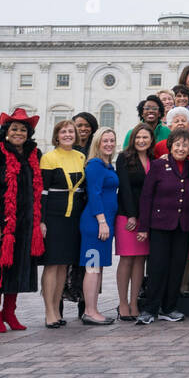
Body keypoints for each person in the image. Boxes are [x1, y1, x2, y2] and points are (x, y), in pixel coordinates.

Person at [0, 109, 45, 333]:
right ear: (6, 131)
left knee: (17, 269)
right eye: (14, 129)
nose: (18, 133)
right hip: (0, 222)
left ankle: (9, 312)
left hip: (23, 223)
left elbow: (37, 190)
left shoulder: (34, 155)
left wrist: (36, 220)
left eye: (23, 129)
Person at [135, 129, 189, 325]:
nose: (181, 148)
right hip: (160, 224)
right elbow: (146, 196)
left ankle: (169, 308)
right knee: (157, 267)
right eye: (177, 144)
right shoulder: (159, 165)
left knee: (177, 267)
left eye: (185, 145)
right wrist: (143, 226)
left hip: (183, 224)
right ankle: (150, 309)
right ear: (170, 146)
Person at [39, 120, 85, 328]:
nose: (68, 135)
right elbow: (43, 192)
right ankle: (49, 311)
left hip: (73, 217)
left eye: (71, 132)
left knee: (64, 265)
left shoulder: (80, 156)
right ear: (56, 136)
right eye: (63, 132)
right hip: (54, 216)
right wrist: (41, 220)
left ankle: (57, 309)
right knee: (52, 264)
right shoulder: (49, 158)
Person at [113, 124, 152, 321]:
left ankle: (134, 302)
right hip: (127, 216)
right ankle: (122, 303)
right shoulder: (124, 158)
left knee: (140, 260)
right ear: (133, 138)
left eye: (145, 137)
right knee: (127, 259)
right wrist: (131, 215)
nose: (141, 141)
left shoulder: (153, 159)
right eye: (138, 137)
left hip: (147, 218)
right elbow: (125, 187)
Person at [80, 129, 119, 325]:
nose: (109, 144)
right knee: (92, 267)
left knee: (98, 267)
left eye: (112, 140)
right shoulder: (95, 164)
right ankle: (89, 311)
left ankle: (94, 309)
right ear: (97, 143)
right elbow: (94, 194)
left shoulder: (108, 166)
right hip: (95, 223)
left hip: (106, 222)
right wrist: (102, 221)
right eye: (105, 141)